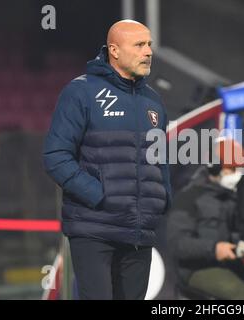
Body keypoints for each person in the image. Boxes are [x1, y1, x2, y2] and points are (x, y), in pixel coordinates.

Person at [43, 20, 172, 300]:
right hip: (94, 228)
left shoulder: (154, 102)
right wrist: (99, 195)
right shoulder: (81, 92)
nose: (148, 51)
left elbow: (160, 159)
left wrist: (162, 199)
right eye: (139, 45)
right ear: (114, 50)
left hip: (139, 232)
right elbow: (56, 156)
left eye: (149, 44)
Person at [167, 161, 244, 300]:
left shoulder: (232, 197)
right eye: (232, 169)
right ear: (215, 169)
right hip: (196, 268)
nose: (237, 174)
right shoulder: (189, 198)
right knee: (241, 293)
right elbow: (178, 244)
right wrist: (214, 249)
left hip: (232, 263)